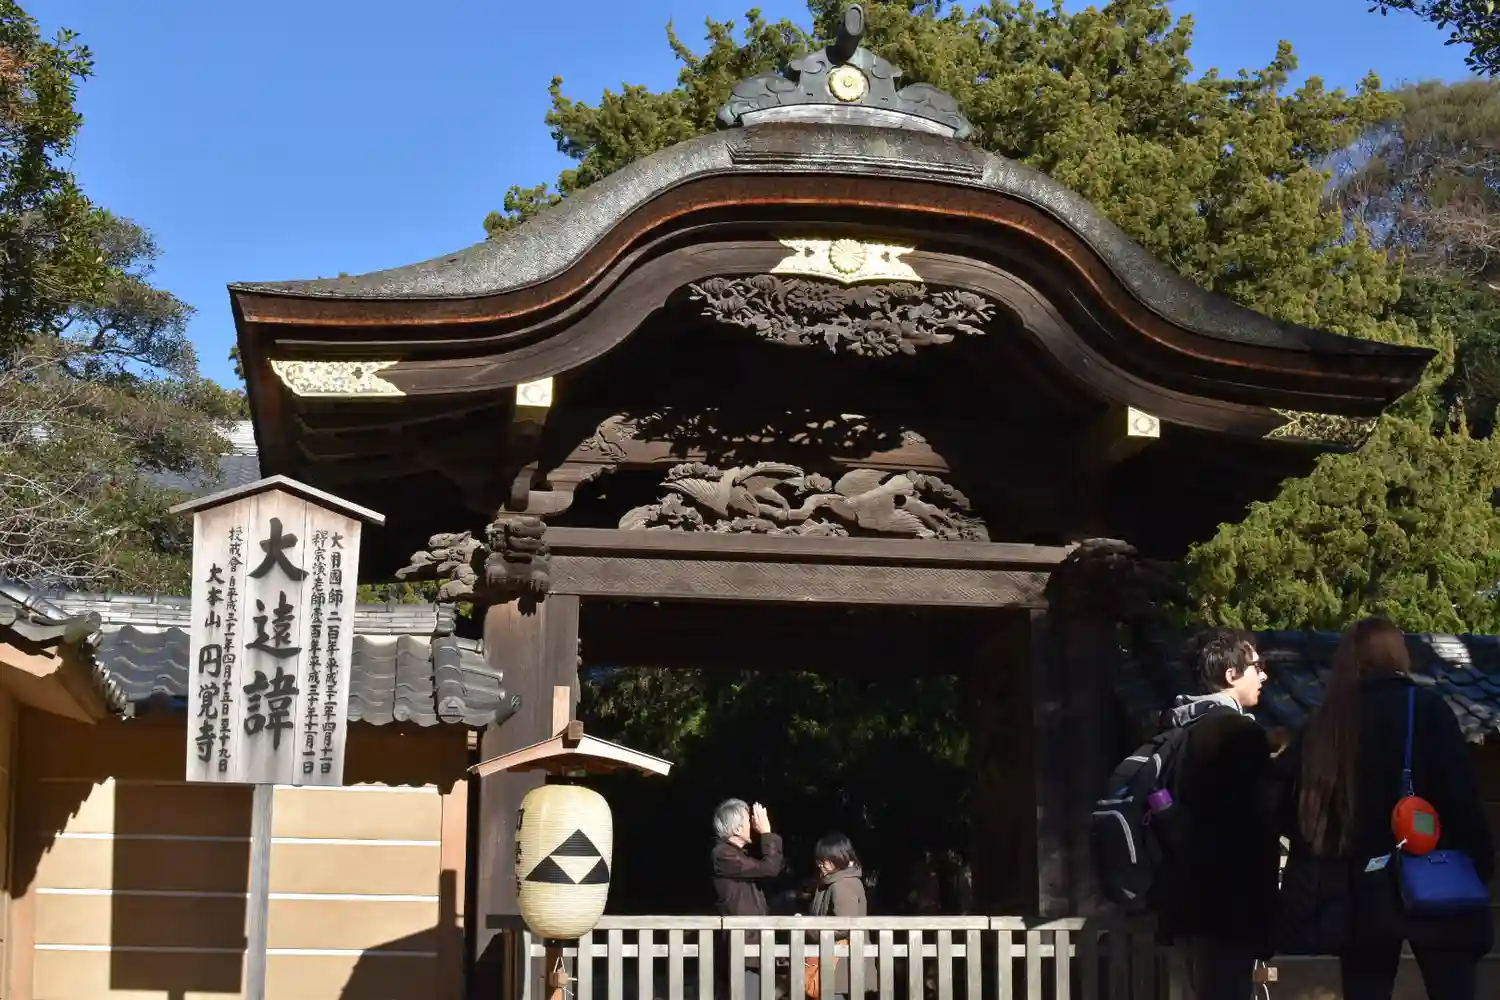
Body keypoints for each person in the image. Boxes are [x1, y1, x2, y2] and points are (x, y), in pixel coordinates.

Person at [1277, 617, 1494, 1000]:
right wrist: (1480, 862)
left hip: (1360, 887)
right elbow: (1461, 798)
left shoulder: (1326, 723)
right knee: (1452, 987)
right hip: (1433, 873)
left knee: (1365, 988)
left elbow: (1284, 800)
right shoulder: (1427, 710)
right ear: (1398, 654)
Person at [1155, 627, 1280, 1000]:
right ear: (1231, 674)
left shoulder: (1178, 727)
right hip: (1229, 901)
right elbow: (1256, 825)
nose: (1263, 675)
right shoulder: (1240, 734)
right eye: (1256, 666)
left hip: (1183, 894)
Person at [711, 799, 783, 997]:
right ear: (736, 828)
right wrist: (766, 833)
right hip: (742, 947)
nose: (753, 823)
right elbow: (770, 868)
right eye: (747, 819)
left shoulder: (738, 855)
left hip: (751, 946)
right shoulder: (723, 855)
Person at [806, 833, 875, 999]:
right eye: (819, 860)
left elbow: (844, 926)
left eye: (825, 860)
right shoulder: (835, 881)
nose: (820, 865)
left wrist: (808, 929)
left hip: (842, 965)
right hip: (841, 964)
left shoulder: (843, 884)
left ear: (839, 858)